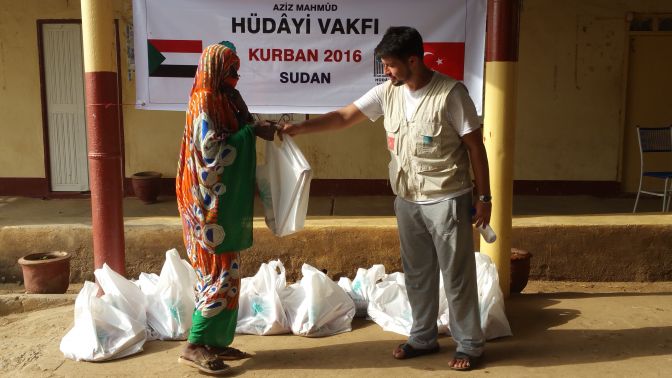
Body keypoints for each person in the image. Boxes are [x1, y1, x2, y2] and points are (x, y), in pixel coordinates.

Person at [279, 26, 490, 371]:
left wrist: (484, 197)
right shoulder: (386, 93)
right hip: (407, 200)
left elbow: (475, 146)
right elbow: (345, 116)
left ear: (413, 60)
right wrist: (302, 129)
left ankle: (470, 344)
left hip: (447, 198)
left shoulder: (451, 94)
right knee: (417, 274)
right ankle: (422, 337)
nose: (387, 71)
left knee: (457, 276)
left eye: (391, 65)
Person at [176, 43, 276, 374]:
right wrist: (250, 133)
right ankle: (194, 345)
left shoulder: (227, 98)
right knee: (215, 274)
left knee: (230, 273)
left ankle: (215, 341)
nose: (236, 76)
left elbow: (243, 124)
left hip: (222, 202)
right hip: (205, 207)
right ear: (216, 70)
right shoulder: (204, 100)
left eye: (236, 69)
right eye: (231, 70)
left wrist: (255, 127)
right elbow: (211, 152)